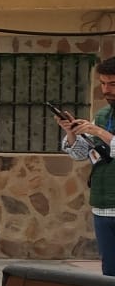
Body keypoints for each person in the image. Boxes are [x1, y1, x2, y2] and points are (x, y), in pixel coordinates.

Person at [58, 57, 115, 274]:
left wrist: (99, 132)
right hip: (103, 205)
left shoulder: (99, 124)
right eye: (103, 83)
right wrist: (71, 132)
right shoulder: (102, 115)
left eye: (112, 84)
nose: (106, 90)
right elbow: (83, 154)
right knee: (110, 274)